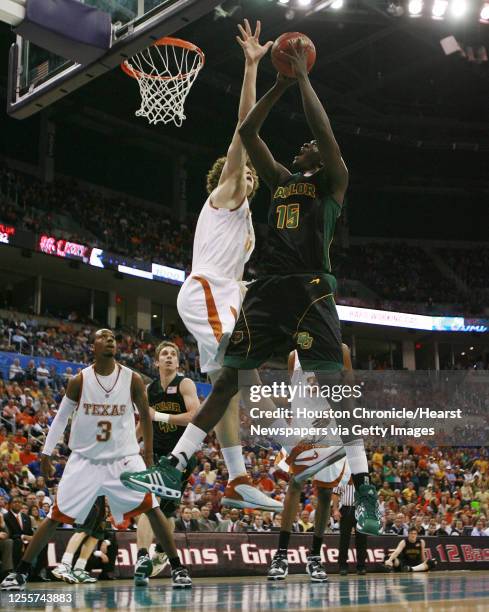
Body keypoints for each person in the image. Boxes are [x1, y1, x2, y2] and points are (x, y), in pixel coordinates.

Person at [122, 32, 379, 536]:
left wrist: (302, 77)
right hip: (265, 292)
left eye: (312, 148)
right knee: (227, 382)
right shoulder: (280, 180)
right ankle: (178, 465)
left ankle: (363, 482)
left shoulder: (333, 183)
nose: (304, 145)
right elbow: (247, 129)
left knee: (334, 390)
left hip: (310, 293)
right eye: (302, 144)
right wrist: (279, 83)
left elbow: (323, 130)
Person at [0, 329, 191, 591]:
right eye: (104, 337)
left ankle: (178, 567)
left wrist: (146, 456)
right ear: (94, 347)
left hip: (123, 458)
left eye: (113, 337)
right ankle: (20, 572)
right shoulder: (80, 380)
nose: (111, 340)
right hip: (85, 459)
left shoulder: (132, 379)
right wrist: (46, 452)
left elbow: (145, 416)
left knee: (153, 507)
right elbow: (60, 418)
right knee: (55, 515)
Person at [268, 346, 352, 582]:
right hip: (302, 428)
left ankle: (315, 557)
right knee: (295, 484)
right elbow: (295, 395)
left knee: (325, 494)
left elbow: (350, 389)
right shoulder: (293, 355)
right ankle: (281, 555)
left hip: (330, 429)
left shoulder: (340, 349)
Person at [131, 341, 200, 584]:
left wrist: (158, 415)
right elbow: (143, 423)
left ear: (178, 362)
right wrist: (127, 444)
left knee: (167, 512)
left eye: (173, 354)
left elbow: (195, 416)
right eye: (164, 354)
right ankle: (141, 556)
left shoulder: (185, 383)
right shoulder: (150, 390)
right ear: (157, 362)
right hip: (156, 453)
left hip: (181, 454)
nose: (169, 357)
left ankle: (160, 551)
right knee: (150, 501)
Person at [51, 496, 106, 584]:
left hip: (102, 499)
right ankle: (64, 565)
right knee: (82, 530)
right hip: (91, 495)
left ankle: (78, 570)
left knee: (95, 536)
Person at [332, 479, 367, 576]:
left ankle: (361, 566)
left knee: (362, 539)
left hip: (360, 509)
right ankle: (343, 566)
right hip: (346, 508)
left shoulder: (363, 478)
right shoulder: (342, 478)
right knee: (344, 539)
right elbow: (335, 493)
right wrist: (335, 509)